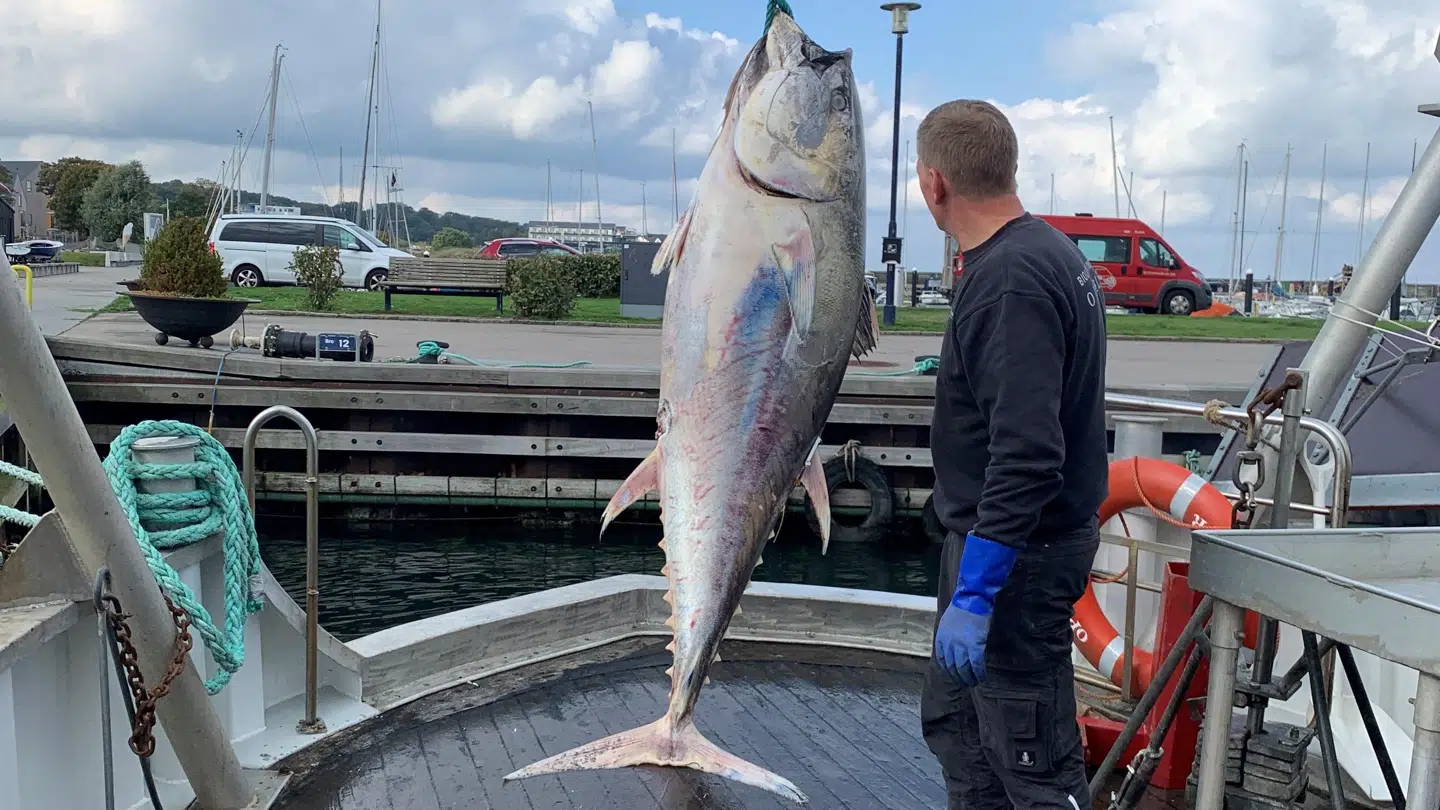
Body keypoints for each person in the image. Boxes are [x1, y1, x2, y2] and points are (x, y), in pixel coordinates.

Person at [914, 99, 1109, 810]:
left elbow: (1027, 454)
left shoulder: (1009, 280)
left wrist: (977, 592)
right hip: (998, 547)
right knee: (962, 733)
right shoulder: (1047, 251)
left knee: (1033, 764)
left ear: (934, 182)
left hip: (1016, 560)